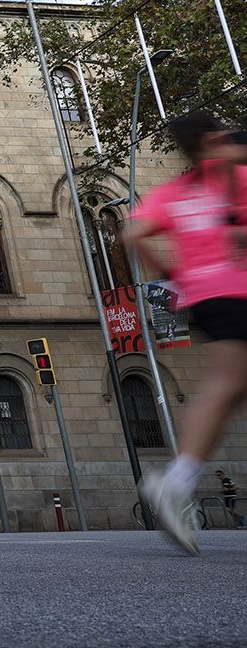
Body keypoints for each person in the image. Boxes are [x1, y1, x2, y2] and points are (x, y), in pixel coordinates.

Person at [129, 111, 247, 554]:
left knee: (229, 388)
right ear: (214, 135)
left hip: (203, 294)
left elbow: (133, 233)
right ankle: (176, 481)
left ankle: (178, 480)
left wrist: (172, 275)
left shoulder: (174, 191)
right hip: (238, 286)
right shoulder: (236, 172)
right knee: (225, 386)